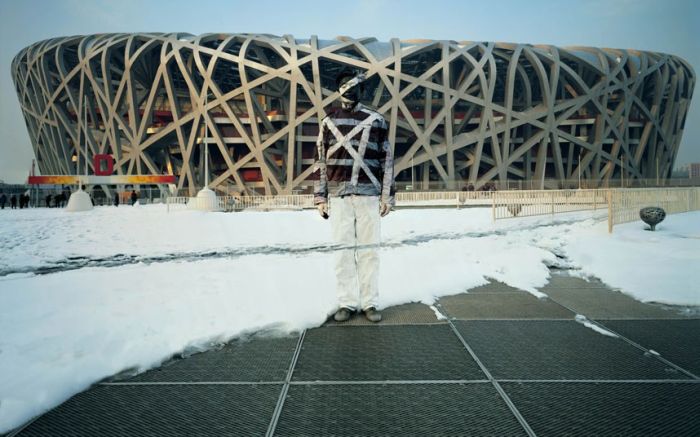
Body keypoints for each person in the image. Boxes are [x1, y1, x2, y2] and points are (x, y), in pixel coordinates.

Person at [313, 69, 395, 323]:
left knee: (370, 251)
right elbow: (321, 160)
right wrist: (320, 197)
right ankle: (347, 303)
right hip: (339, 197)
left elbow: (387, 160)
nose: (350, 92)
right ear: (339, 90)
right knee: (343, 252)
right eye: (345, 87)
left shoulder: (376, 120)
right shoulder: (328, 121)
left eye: (354, 87)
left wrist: (387, 196)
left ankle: (369, 303)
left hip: (369, 196)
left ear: (362, 91)